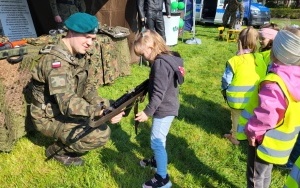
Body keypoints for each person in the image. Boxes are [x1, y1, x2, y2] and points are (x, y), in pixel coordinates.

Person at [30, 12, 124, 166]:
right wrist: (96, 111)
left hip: (63, 109)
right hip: (48, 116)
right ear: (71, 32)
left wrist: (104, 106)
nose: (89, 43)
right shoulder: (56, 63)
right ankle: (57, 150)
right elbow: (67, 103)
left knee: (109, 104)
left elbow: (88, 88)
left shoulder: (78, 55)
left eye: (92, 39)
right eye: (86, 37)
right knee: (100, 134)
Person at [245, 26, 300, 187]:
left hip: (261, 139)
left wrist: (253, 132)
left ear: (277, 52)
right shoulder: (295, 78)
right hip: (281, 143)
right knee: (264, 173)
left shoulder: (274, 82)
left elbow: (266, 116)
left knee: (254, 176)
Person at [133, 29, 184, 188]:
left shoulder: (160, 64)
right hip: (168, 106)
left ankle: (163, 178)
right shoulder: (170, 58)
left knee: (157, 142)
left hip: (163, 109)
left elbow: (158, 93)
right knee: (159, 139)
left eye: (143, 54)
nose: (144, 58)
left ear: (151, 47)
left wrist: (147, 112)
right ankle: (156, 160)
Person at [221, 27, 266, 145]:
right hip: (255, 98)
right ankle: (250, 135)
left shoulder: (234, 60)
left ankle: (235, 137)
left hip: (236, 98)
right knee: (250, 117)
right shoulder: (260, 59)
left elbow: (226, 80)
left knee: (236, 117)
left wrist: (225, 90)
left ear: (239, 41)